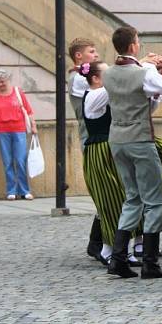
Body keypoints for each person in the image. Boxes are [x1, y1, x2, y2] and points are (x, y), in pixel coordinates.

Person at [103, 26, 162, 279]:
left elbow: (146, 97)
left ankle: (118, 258)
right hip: (140, 139)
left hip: (117, 139)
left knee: (132, 197)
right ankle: (150, 262)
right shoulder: (143, 73)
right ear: (134, 46)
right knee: (154, 200)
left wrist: (148, 70)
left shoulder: (108, 73)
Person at [79, 61, 125, 266]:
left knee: (121, 198)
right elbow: (115, 87)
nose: (111, 77)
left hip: (111, 148)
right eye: (108, 74)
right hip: (100, 151)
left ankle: (117, 247)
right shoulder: (94, 96)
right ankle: (107, 248)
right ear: (96, 78)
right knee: (109, 200)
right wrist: (136, 66)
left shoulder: (103, 94)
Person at [67, 37, 106, 263]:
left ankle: (100, 242)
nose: (96, 55)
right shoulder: (77, 80)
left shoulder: (86, 76)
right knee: (104, 190)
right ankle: (98, 243)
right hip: (91, 140)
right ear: (79, 56)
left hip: (102, 138)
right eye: (92, 52)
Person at [0, 68, 36, 201]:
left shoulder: (18, 92)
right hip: (2, 131)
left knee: (20, 160)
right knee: (7, 162)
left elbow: (29, 110)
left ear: (8, 80)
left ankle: (24, 190)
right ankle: (11, 190)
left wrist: (33, 126)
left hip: (19, 129)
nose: (0, 84)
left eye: (2, 82)